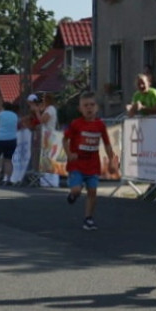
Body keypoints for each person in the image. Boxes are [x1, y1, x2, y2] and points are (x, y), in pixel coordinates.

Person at [63, 92, 118, 230]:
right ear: (80, 109)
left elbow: (107, 144)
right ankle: (73, 194)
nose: (89, 108)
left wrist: (111, 160)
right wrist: (69, 153)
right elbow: (65, 139)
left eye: (92, 105)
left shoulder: (100, 125)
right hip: (77, 164)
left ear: (97, 107)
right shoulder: (76, 124)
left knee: (92, 191)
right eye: (85, 105)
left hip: (93, 164)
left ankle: (88, 219)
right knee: (76, 190)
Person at [0, 101, 19, 186]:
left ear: (3, 107)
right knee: (8, 160)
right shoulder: (15, 115)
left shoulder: (0, 114)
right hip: (12, 139)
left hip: (0, 139)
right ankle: (8, 179)